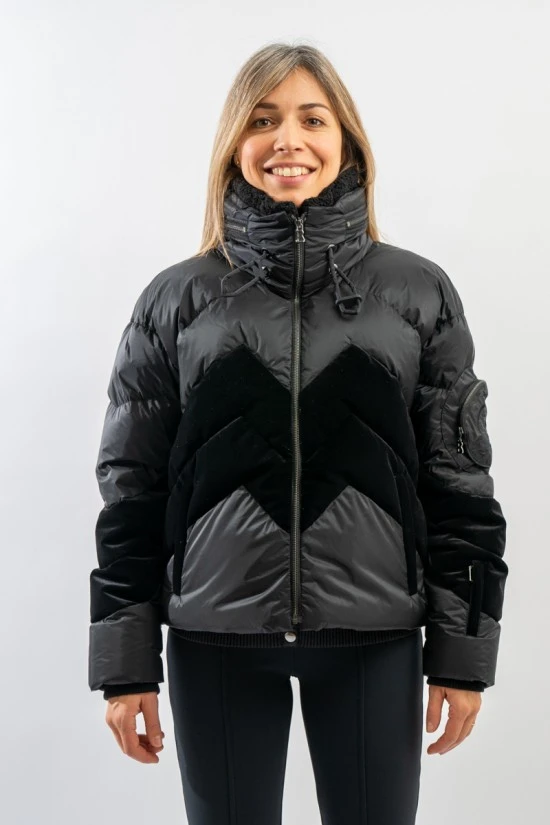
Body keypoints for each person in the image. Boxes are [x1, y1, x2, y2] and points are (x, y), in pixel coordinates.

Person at [88, 42, 508, 825]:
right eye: (262, 119)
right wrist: (124, 664)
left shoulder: (417, 294)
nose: (288, 139)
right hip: (215, 639)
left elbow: (460, 487)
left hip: (373, 638)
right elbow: (131, 490)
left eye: (312, 119)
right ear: (232, 144)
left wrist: (463, 654)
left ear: (346, 140)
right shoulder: (176, 300)